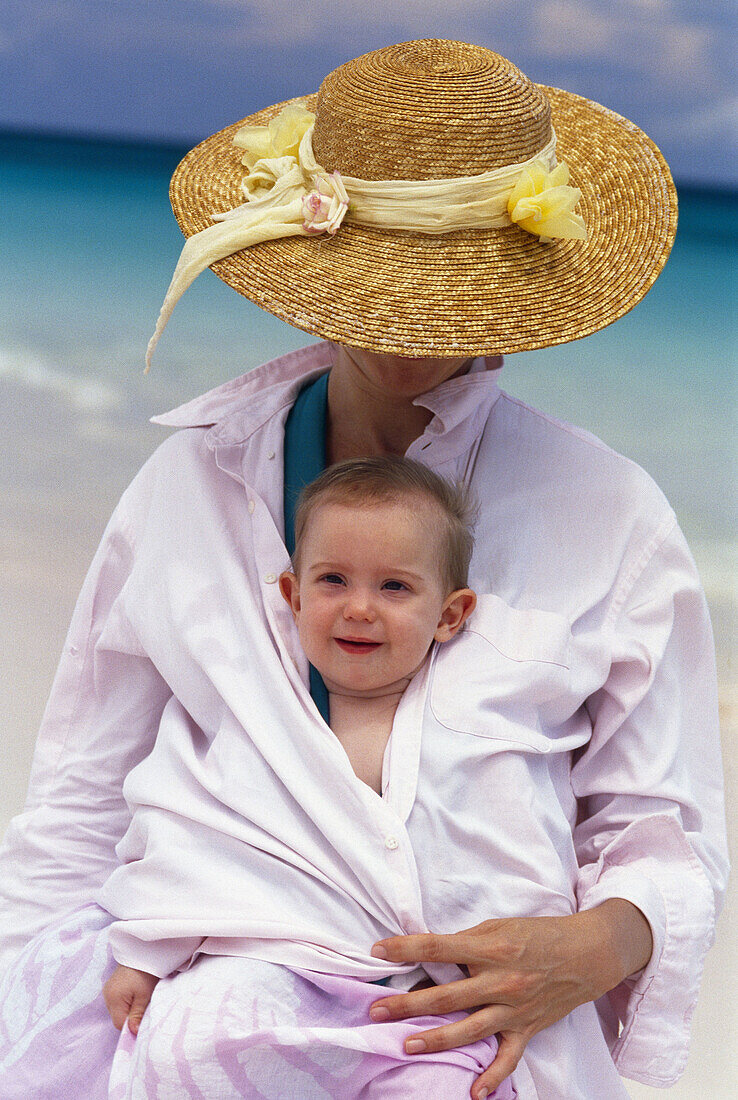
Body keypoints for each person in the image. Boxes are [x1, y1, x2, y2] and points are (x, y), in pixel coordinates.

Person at [0, 37, 728, 1100]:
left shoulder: (609, 513)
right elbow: (79, 799)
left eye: (445, 289)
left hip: (481, 1047)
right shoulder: (186, 487)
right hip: (204, 1029)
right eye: (391, 281)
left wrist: (590, 951)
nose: (407, 332)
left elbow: (662, 833)